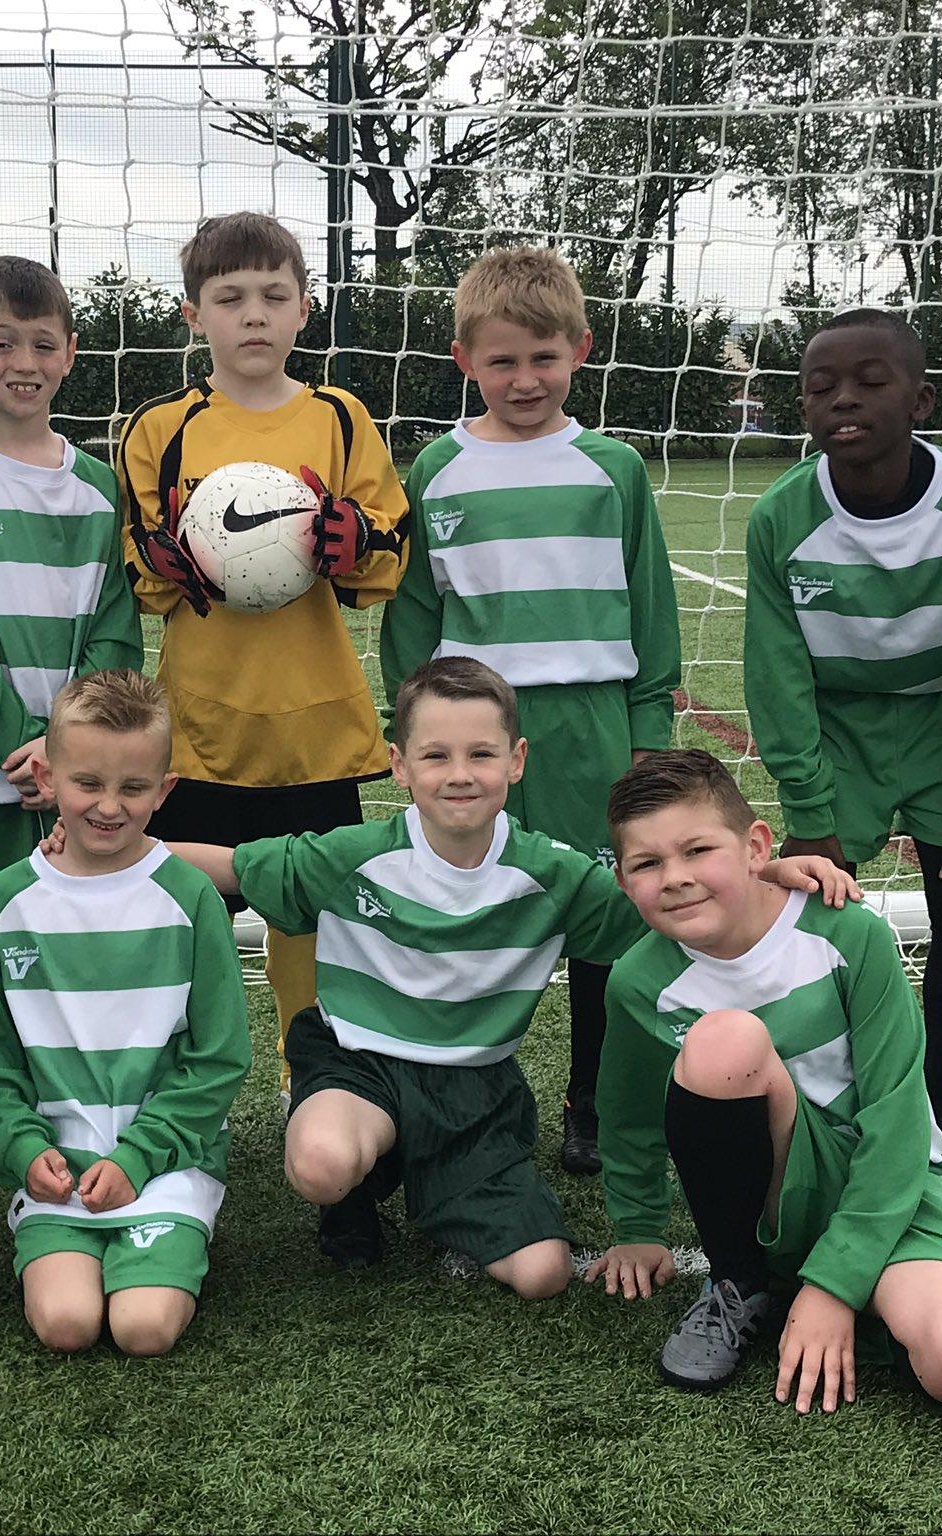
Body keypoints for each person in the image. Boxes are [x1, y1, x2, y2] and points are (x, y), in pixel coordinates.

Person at [139, 657, 850, 1285]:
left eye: (481, 754)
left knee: (541, 1274)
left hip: (475, 1092)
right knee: (323, 1164)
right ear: (399, 765)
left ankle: (442, 1179)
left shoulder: (555, 876)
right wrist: (117, 853)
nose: (459, 774)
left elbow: (663, 905)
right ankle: (358, 1187)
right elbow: (230, 867)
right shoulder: (353, 855)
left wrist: (764, 874)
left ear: (516, 761)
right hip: (359, 1061)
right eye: (436, 755)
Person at [591, 749, 942, 1411]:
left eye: (698, 850)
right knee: (725, 1042)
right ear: (623, 881)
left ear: (756, 846)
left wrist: (836, 1285)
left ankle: (830, 1283)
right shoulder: (640, 980)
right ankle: (740, 1281)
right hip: (772, 1198)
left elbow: (897, 1116)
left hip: (891, 1186)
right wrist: (638, 1228)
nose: (675, 878)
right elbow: (627, 1113)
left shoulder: (849, 933)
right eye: (647, 864)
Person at [379, 245, 680, 1178]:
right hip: (476, 737)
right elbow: (414, 613)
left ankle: (596, 1102)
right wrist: (414, 729)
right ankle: (461, 1099)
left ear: (580, 349)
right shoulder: (438, 467)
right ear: (464, 359)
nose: (524, 379)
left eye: (543, 358)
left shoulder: (612, 469)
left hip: (592, 729)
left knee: (606, 922)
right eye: (502, 360)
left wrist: (649, 735)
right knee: (471, 912)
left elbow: (650, 603)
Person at [741, 308, 942, 1203]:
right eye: (821, 387)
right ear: (803, 406)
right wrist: (810, 809)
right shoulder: (782, 516)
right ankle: (831, 1120)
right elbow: (778, 677)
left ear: (921, 400)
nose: (844, 400)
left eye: (871, 382)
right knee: (822, 933)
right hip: (837, 734)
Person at [117, 211, 408, 1084]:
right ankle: (175, 1088)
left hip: (312, 728)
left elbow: (388, 555)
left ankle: (310, 1079)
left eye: (274, 296)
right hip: (199, 730)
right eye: (230, 297)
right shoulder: (160, 427)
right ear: (192, 314)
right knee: (180, 917)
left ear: (305, 309)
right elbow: (139, 573)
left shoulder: (340, 418)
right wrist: (164, 560)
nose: (254, 313)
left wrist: (356, 541)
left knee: (312, 920)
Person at [0, 256, 142, 1185]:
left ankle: (68, 1094)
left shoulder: (98, 484)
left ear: (71, 354)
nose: (23, 362)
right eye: (1, 343)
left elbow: (115, 623)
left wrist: (72, 744)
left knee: (71, 917)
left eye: (43, 344)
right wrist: (23, 736)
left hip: (76, 764)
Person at [0, 670, 250, 1356]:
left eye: (133, 788)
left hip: (165, 1165)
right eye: (88, 783)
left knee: (144, 1329)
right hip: (56, 1169)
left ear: (165, 790)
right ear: (47, 778)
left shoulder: (189, 898)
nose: (109, 806)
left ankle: (173, 1230)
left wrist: (140, 1157)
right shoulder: (8, 900)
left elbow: (220, 1057)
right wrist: (24, 1149)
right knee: (67, 1324)